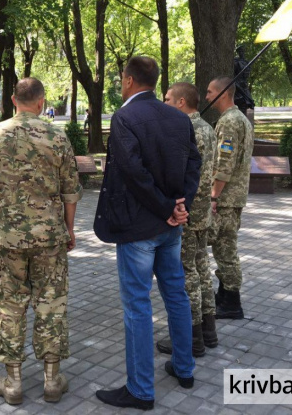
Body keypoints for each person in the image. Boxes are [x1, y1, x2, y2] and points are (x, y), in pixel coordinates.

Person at [94, 57, 202, 411]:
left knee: (138, 305)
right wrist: (179, 204)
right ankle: (184, 369)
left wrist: (170, 207)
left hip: (140, 226)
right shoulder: (177, 116)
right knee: (176, 294)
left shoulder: (124, 117)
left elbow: (133, 173)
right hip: (169, 225)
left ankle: (141, 390)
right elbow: (193, 165)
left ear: (128, 81)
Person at [0, 77, 82, 406]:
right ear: (41, 101)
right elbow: (71, 190)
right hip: (49, 237)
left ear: (12, 100)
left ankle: (14, 381)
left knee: (9, 306)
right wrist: (69, 228)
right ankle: (51, 380)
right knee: (51, 304)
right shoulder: (57, 135)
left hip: (7, 238)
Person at [157, 82, 218, 358]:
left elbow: (182, 174)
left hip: (187, 213)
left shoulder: (186, 128)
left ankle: (190, 337)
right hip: (203, 212)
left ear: (181, 102)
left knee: (186, 273)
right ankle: (208, 330)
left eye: (168, 98)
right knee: (201, 268)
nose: (164, 102)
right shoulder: (207, 127)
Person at [205, 76, 254, 320]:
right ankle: (225, 296)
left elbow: (224, 163)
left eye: (209, 91)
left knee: (224, 250)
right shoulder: (239, 119)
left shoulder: (229, 122)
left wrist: (213, 196)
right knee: (226, 249)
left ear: (223, 93)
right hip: (234, 196)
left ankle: (231, 303)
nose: (206, 96)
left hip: (225, 198)